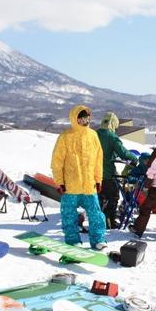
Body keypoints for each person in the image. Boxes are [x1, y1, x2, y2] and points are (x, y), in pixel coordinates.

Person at [51, 105, 107, 250]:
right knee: (69, 215)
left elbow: (98, 160)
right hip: (70, 186)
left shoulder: (93, 135)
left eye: (87, 118)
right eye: (82, 118)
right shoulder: (65, 136)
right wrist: (60, 182)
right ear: (75, 119)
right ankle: (72, 240)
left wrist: (98, 179)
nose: (85, 121)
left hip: (89, 185)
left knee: (96, 214)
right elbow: (57, 162)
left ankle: (99, 239)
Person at [96, 112, 138, 229]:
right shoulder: (112, 137)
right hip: (108, 174)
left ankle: (98, 221)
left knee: (99, 198)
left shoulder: (94, 134)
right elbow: (123, 152)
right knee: (113, 197)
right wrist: (134, 159)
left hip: (93, 174)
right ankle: (110, 222)